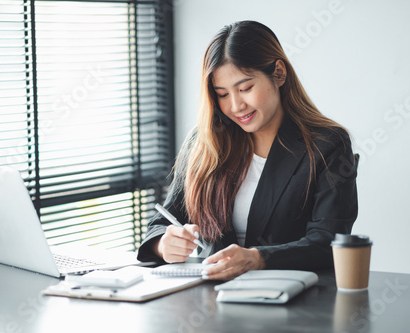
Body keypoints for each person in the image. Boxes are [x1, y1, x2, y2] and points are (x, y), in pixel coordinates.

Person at [137, 20, 358, 280]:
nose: (235, 106)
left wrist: (258, 258)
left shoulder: (327, 145)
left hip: (293, 298)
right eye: (222, 94)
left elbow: (328, 242)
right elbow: (163, 222)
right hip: (211, 299)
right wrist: (164, 244)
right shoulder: (205, 142)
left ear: (278, 73)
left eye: (245, 88)